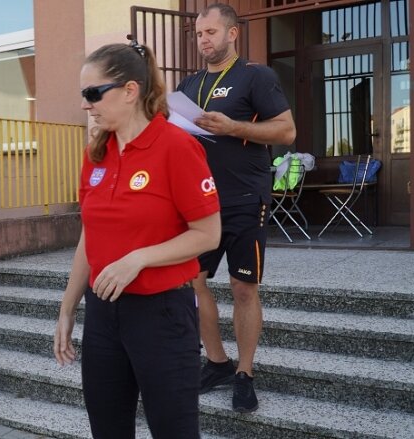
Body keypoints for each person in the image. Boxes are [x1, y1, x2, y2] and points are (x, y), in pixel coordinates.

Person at [53, 40, 221, 438]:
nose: (85, 105)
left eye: (93, 94)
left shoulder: (177, 147)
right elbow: (88, 239)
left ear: (130, 91)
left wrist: (138, 259)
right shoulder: (96, 154)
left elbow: (208, 234)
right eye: (83, 95)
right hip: (103, 314)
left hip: (161, 315)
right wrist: (67, 307)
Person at [176, 4, 296, 413]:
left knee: (243, 287)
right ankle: (217, 362)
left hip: (246, 198)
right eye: (198, 34)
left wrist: (233, 127)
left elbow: (286, 129)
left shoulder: (256, 76)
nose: (203, 40)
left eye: (211, 32)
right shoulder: (187, 86)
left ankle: (245, 373)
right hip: (200, 204)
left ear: (232, 34)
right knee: (193, 281)